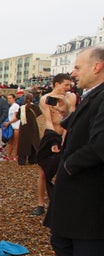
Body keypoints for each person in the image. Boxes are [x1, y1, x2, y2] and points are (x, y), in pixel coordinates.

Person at [48, 47, 104, 256]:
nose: (73, 73)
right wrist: (68, 115)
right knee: (66, 242)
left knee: (85, 252)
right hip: (81, 192)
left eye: (78, 68)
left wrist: (68, 165)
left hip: (89, 193)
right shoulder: (94, 95)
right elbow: (85, 128)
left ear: (98, 67)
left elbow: (100, 145)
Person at [36, 73, 77, 215]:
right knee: (43, 171)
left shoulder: (70, 97)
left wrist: (64, 139)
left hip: (65, 134)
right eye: (66, 84)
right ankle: (40, 204)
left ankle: (58, 203)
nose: (69, 87)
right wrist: (54, 140)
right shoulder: (46, 99)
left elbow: (70, 118)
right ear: (56, 84)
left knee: (62, 170)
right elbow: (48, 120)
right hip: (50, 134)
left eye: (70, 84)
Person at [16, 92, 42, 166]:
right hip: (33, 127)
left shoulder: (22, 108)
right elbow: (39, 114)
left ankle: (22, 161)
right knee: (33, 143)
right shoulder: (35, 107)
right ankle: (32, 160)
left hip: (24, 127)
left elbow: (18, 117)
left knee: (23, 144)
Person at [3, 94, 20, 161]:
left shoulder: (16, 106)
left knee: (16, 142)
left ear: (14, 99)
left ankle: (15, 156)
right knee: (11, 142)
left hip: (16, 126)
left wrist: (8, 123)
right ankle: (9, 155)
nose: (9, 100)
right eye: (8, 98)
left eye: (10, 98)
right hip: (12, 126)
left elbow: (17, 117)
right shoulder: (11, 106)